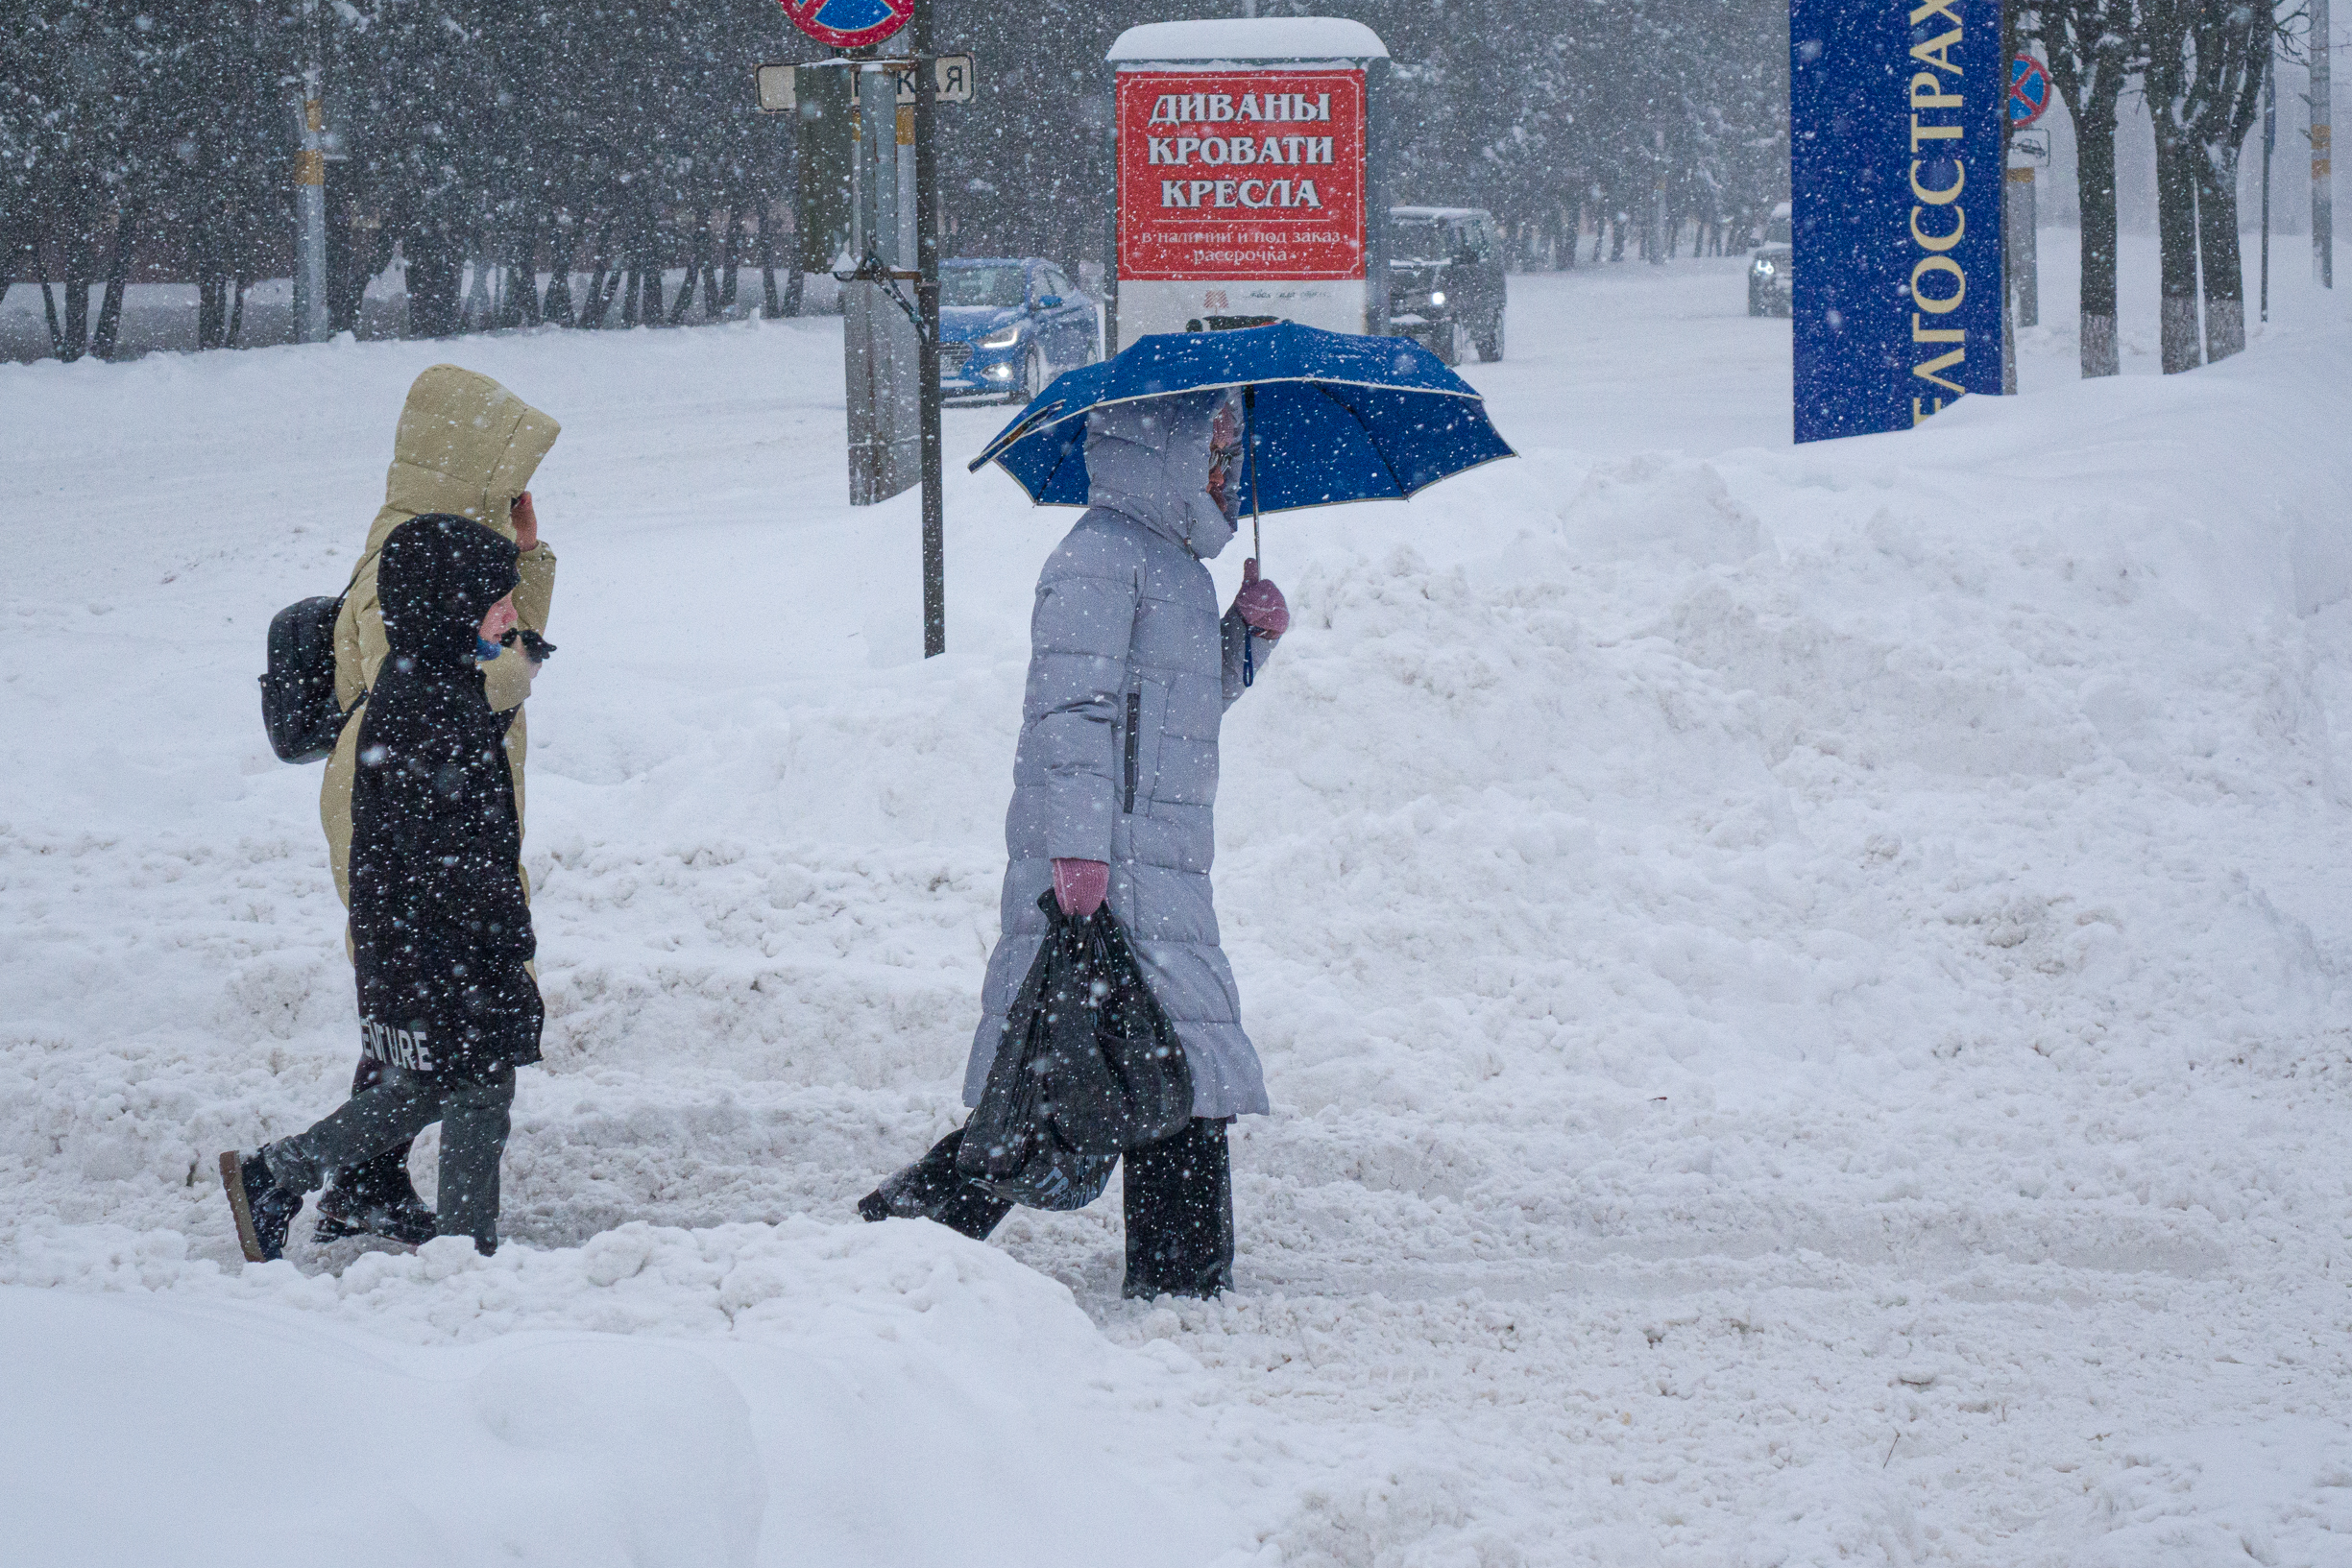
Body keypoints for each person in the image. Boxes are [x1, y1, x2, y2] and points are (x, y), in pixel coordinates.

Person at [861, 388, 1291, 1299]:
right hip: (1104, 864)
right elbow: (1071, 713)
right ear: (1160, 449)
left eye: (1231, 455)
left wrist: (1244, 643)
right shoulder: (1096, 558)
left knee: (1158, 1062)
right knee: (1077, 1068)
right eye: (1212, 451)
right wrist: (1075, 850)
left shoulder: (1177, 569)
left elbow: (1179, 712)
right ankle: (908, 1233)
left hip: (1161, 859)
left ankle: (1177, 1275)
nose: (1225, 471)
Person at [221, 514, 547, 1263]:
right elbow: (446, 862)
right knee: (475, 1085)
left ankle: (277, 1173)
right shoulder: (430, 710)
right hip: (443, 944)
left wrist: (528, 556)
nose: (511, 614)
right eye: (497, 598)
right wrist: (498, 943)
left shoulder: (432, 683)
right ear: (448, 605)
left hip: (428, 942)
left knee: (440, 1084)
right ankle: (467, 1254)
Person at [313, 365, 559, 1246]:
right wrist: (514, 643)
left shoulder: (447, 544)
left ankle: (356, 1178)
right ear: (469, 462)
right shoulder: (410, 558)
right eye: (509, 465)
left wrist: (524, 555)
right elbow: (466, 679)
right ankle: (350, 1181)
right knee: (427, 1004)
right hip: (396, 805)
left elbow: (495, 650)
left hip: (427, 798)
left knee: (423, 1007)